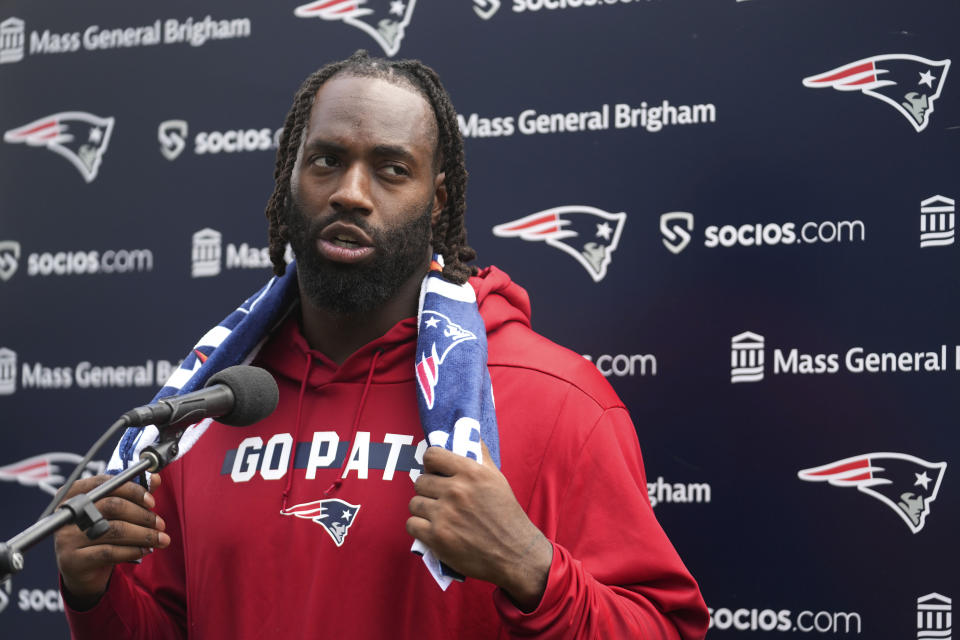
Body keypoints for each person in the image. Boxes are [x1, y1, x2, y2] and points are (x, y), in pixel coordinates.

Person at [54, 51, 709, 639]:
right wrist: (95, 592)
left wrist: (532, 569)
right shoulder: (213, 403)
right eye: (327, 160)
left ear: (436, 200)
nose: (350, 193)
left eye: (391, 169)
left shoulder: (555, 401)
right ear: (290, 177)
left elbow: (665, 629)